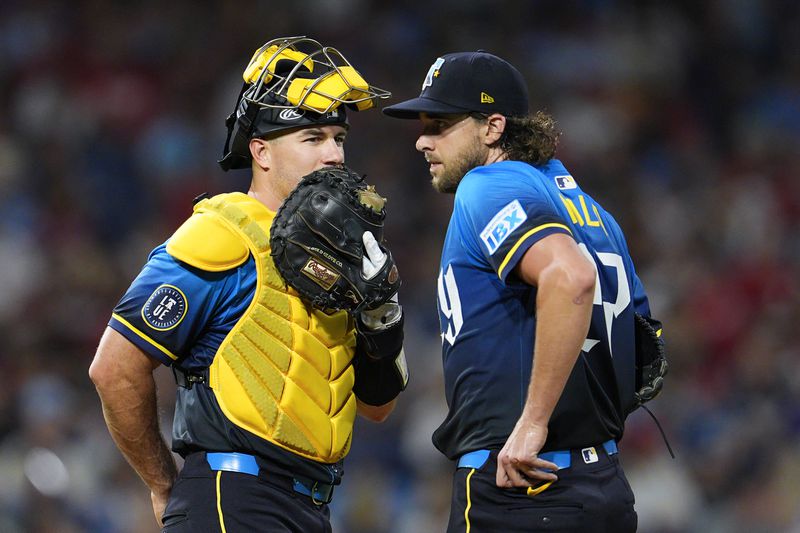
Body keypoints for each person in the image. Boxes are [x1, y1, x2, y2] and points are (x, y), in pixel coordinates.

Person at [89, 36, 408, 532]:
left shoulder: (345, 251)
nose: (332, 154)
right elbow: (114, 368)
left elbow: (378, 407)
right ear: (260, 150)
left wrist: (380, 316)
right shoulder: (223, 233)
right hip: (231, 496)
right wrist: (162, 483)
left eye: (338, 138)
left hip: (312, 507)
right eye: (312, 138)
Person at [384, 50, 663, 532]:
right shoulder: (592, 212)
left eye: (440, 124)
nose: (422, 141)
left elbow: (569, 278)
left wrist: (535, 421)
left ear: (493, 127)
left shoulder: (487, 184)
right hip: (601, 485)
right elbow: (645, 354)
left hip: (524, 486)